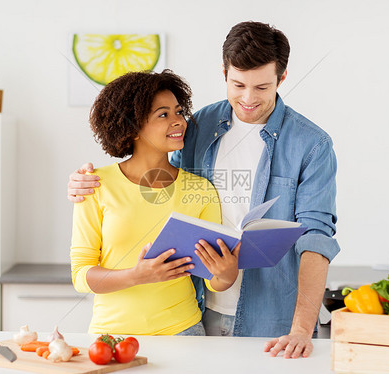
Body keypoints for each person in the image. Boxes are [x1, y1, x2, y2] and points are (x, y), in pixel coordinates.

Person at [68, 21, 340, 358]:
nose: (248, 98)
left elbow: (316, 240)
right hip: (200, 311)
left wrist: (301, 329)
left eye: (262, 87)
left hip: (273, 320)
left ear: (282, 78)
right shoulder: (199, 127)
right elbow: (153, 174)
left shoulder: (311, 144)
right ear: (224, 72)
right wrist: (86, 181)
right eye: (238, 84)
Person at [70, 69, 240, 336]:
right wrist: (136, 275)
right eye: (163, 114)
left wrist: (227, 274)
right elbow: (81, 275)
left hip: (184, 332)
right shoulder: (95, 184)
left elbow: (212, 279)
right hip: (111, 336)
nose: (179, 121)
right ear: (133, 127)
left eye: (179, 112)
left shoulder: (201, 190)